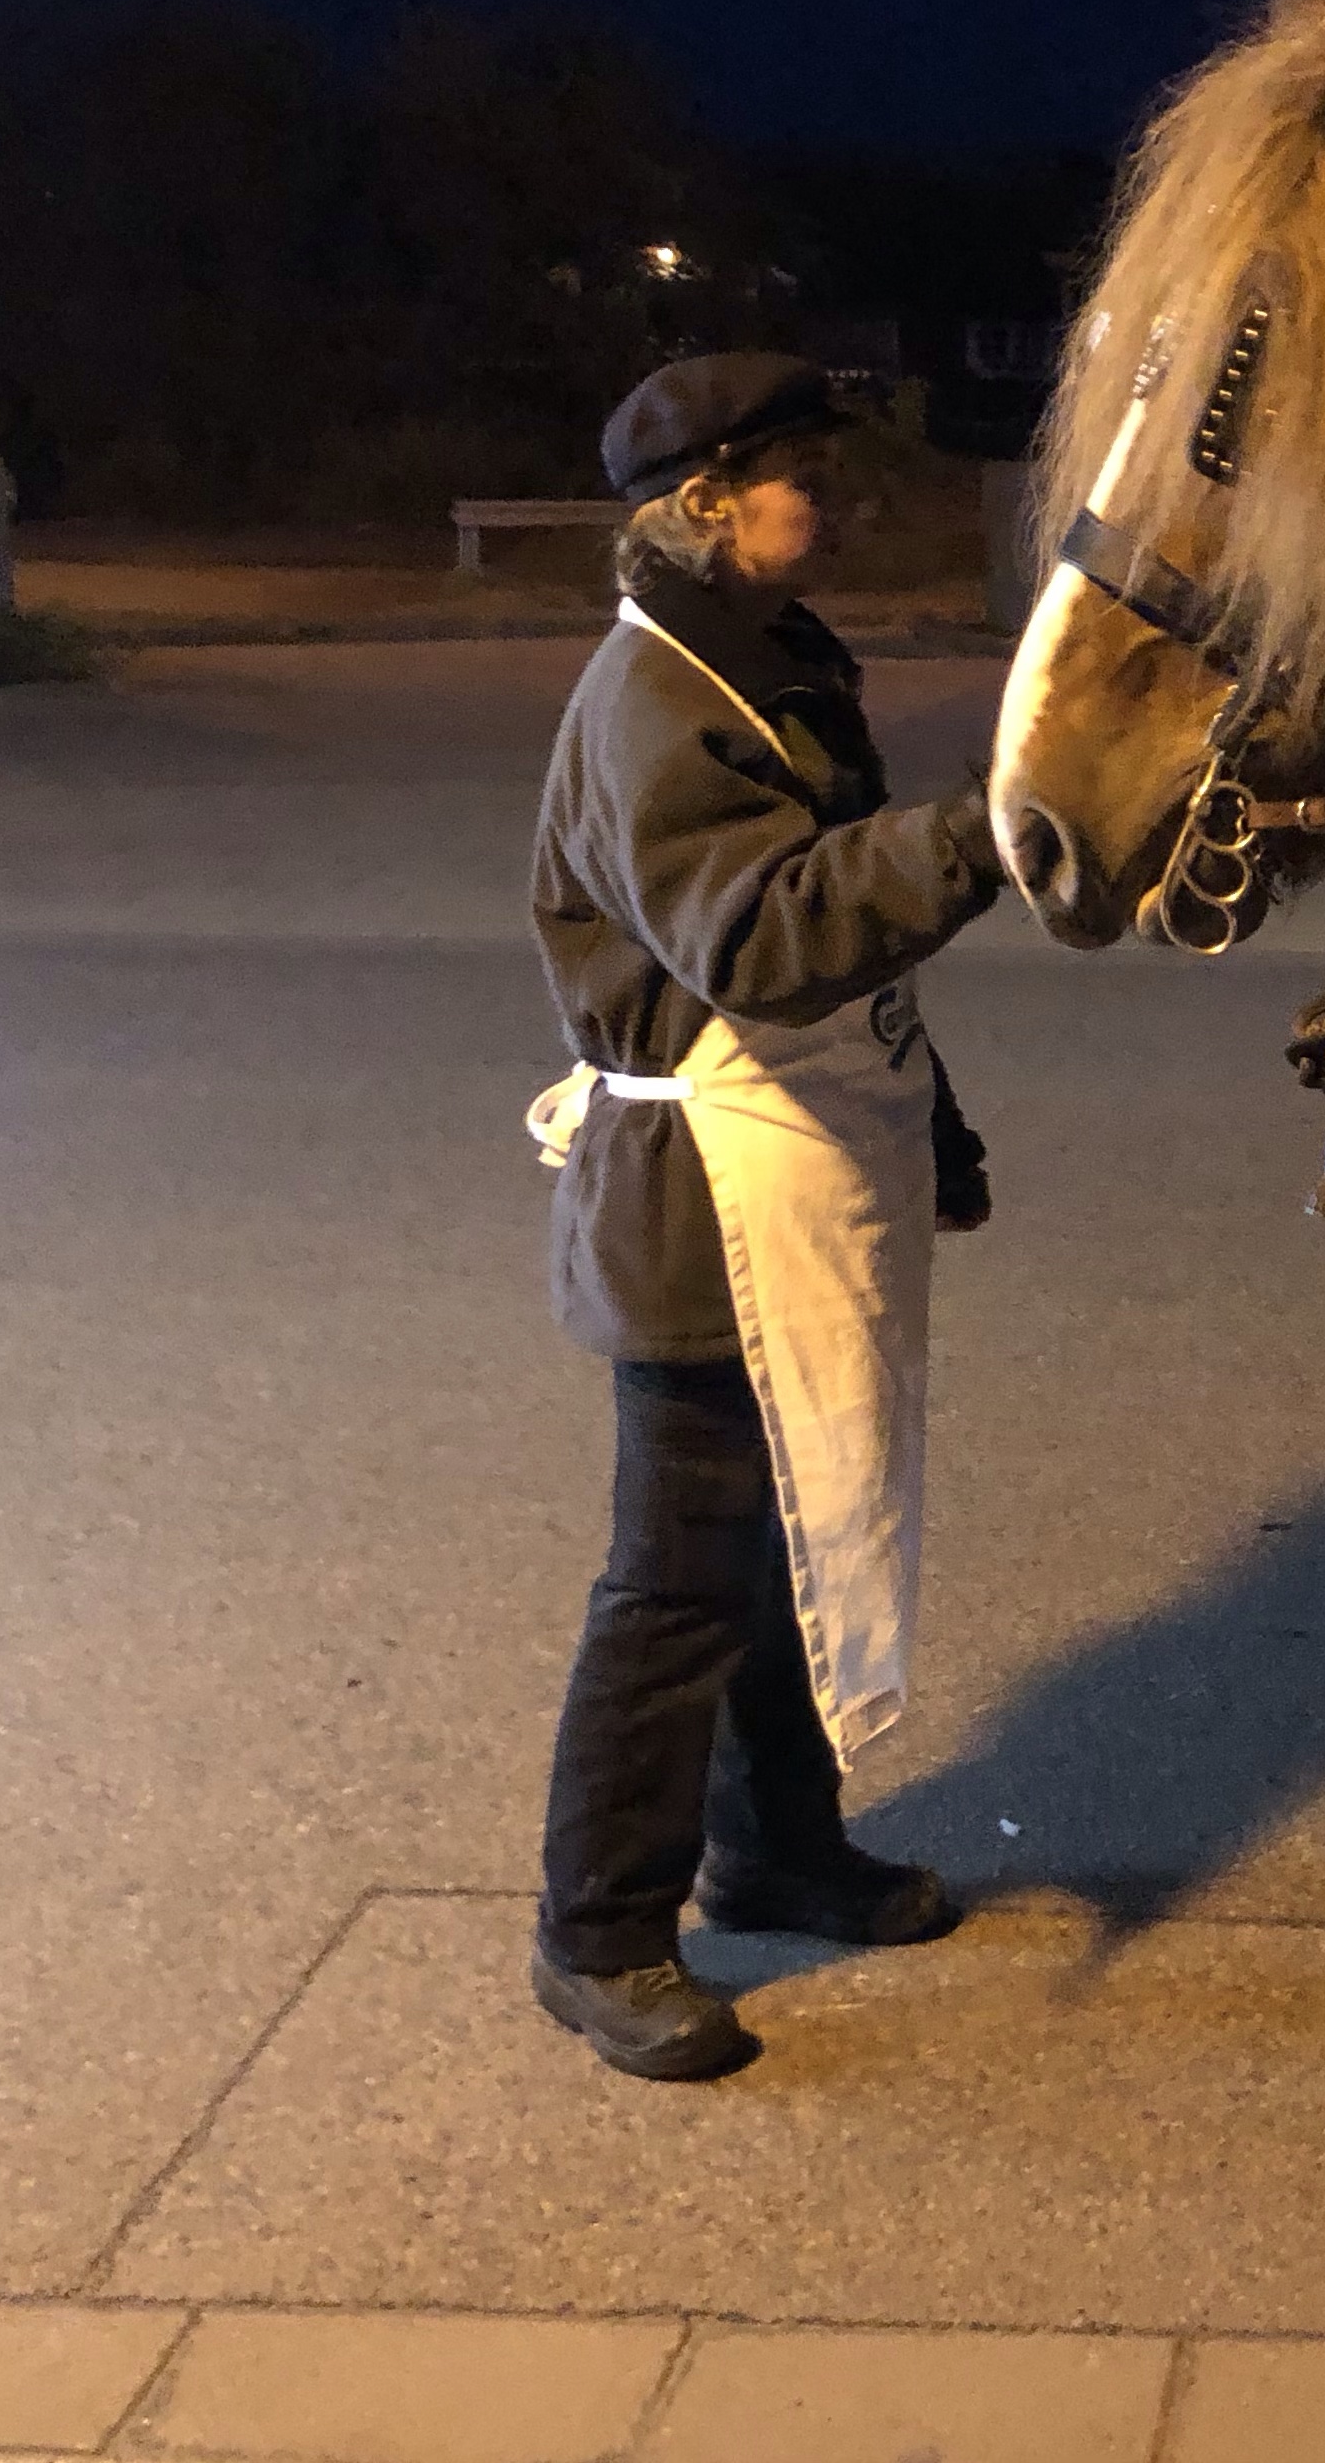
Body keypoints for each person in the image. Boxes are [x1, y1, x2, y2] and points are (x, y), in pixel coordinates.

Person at [523, 351, 1004, 2081]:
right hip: (696, 1200)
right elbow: (771, 936)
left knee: (764, 1541)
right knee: (675, 1577)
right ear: (707, 502)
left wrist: (932, 1123)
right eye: (806, 472)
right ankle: (595, 1936)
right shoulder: (658, 699)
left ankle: (777, 1852)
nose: (840, 498)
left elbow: (841, 968)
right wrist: (991, 833)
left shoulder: (760, 655)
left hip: (785, 1152)